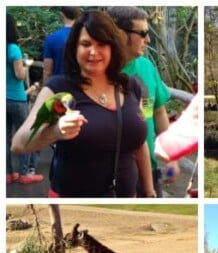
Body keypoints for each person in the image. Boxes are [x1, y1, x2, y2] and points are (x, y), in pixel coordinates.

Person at [11, 10, 155, 198]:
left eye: (102, 44)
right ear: (75, 49)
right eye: (86, 44)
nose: (93, 52)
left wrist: (150, 191)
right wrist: (55, 132)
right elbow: (18, 144)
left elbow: (140, 141)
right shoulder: (58, 89)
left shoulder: (132, 85)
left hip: (126, 197)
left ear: (113, 48)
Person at [107, 6, 180, 197]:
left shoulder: (147, 67)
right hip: (111, 172)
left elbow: (157, 112)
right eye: (143, 33)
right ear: (120, 34)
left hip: (148, 169)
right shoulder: (99, 70)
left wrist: (171, 157)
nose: (148, 40)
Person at [6, 13, 44, 186]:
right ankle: (24, 173)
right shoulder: (13, 49)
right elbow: (19, 75)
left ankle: (7, 174)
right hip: (17, 99)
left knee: (5, 138)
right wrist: (25, 66)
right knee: (28, 135)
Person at [43, 7, 82, 81]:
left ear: (61, 15)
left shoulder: (51, 38)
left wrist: (46, 89)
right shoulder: (84, 36)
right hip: (81, 86)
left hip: (58, 87)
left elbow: (47, 72)